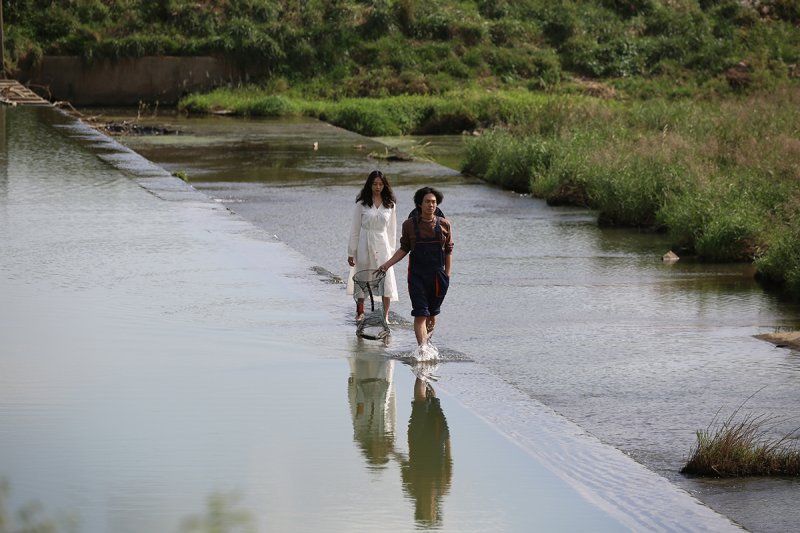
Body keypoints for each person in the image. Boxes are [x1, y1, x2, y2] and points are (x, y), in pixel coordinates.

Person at [378, 187, 453, 347]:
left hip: (438, 277)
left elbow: (448, 250)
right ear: (420, 204)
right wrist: (387, 265)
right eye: (427, 202)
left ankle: (427, 343)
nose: (431, 205)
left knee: (432, 315)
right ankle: (423, 350)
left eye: (433, 202)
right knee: (420, 315)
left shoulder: (445, 225)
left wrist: (447, 275)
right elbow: (404, 248)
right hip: (417, 276)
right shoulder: (409, 225)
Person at [347, 170, 398, 325]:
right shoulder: (361, 204)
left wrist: (391, 252)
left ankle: (385, 315)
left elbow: (392, 231)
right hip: (364, 242)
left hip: (383, 245)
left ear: (384, 185)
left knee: (386, 279)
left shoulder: (390, 205)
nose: (377, 187)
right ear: (370, 185)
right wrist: (351, 251)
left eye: (380, 184)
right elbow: (355, 229)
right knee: (362, 276)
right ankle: (360, 312)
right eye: (375, 184)